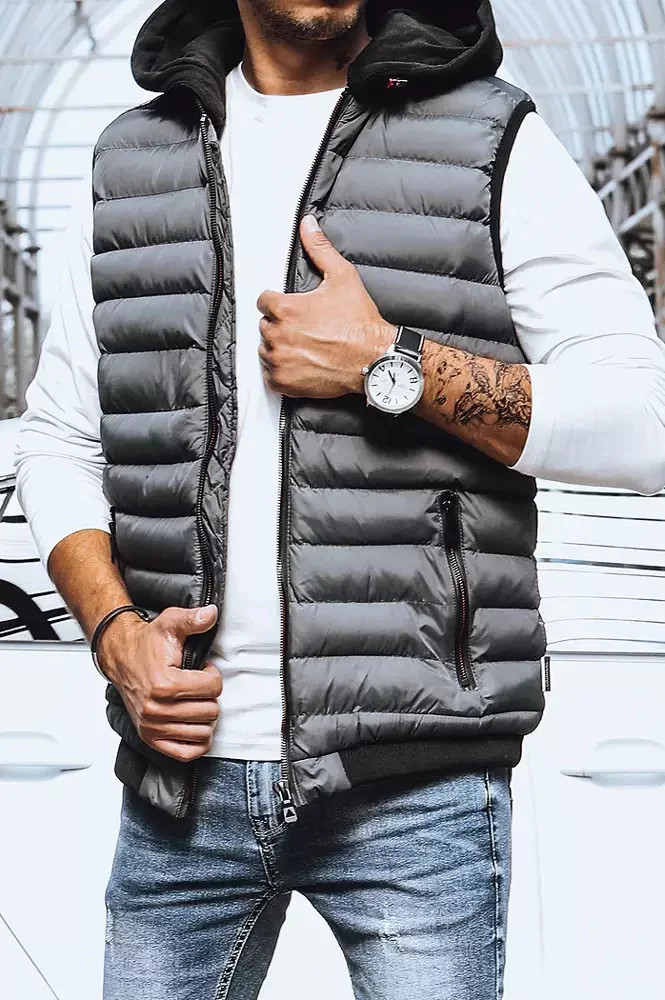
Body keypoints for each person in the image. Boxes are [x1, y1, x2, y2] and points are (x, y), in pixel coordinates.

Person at [15, 1, 665, 997]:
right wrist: (114, 634)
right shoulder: (133, 160)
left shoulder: (489, 139)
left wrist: (389, 363)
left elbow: (642, 422)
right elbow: (58, 441)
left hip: (417, 783)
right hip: (178, 783)